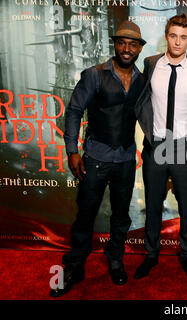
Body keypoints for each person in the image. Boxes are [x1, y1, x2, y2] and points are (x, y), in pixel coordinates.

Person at [50, 21, 147, 297]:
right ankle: (75, 266)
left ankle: (115, 259)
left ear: (139, 48)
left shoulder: (141, 79)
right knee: (86, 214)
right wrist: (72, 151)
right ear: (114, 44)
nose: (126, 49)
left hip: (127, 158)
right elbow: (73, 111)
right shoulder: (94, 74)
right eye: (122, 43)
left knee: (120, 216)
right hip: (95, 157)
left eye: (133, 44)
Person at [133, 13, 187, 282]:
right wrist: (148, 131)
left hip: (185, 146)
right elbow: (138, 99)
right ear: (166, 36)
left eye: (183, 37)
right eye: (173, 36)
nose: (177, 41)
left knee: (186, 204)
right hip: (156, 144)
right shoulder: (151, 64)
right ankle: (151, 254)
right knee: (152, 203)